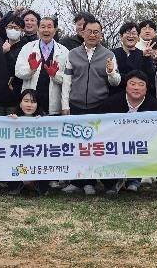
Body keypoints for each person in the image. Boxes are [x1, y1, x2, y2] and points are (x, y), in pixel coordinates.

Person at [61, 18, 121, 195]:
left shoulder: (109, 54)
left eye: (96, 32)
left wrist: (110, 71)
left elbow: (116, 82)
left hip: (99, 106)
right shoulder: (72, 54)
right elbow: (67, 81)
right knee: (77, 146)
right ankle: (78, 182)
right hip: (76, 105)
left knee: (96, 147)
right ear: (82, 33)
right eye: (89, 31)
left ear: (101, 34)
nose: (92, 35)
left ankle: (94, 182)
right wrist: (65, 105)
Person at [98, 70, 157, 197]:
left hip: (142, 145)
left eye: (141, 84)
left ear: (146, 88)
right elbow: (100, 126)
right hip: (115, 144)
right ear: (126, 87)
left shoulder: (154, 105)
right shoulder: (111, 103)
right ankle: (111, 184)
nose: (136, 88)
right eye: (132, 84)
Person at [15, 16, 69, 115]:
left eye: (49, 27)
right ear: (38, 29)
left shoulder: (64, 51)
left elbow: (67, 80)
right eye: (43, 27)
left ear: (55, 30)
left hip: (54, 105)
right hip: (30, 105)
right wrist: (31, 69)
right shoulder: (28, 48)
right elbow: (18, 72)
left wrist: (55, 75)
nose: (46, 30)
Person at [6, 89, 50, 196]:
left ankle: (38, 186)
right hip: (19, 159)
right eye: (26, 101)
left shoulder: (44, 119)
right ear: (20, 103)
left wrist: (42, 122)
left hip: (37, 159)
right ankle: (18, 186)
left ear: (37, 104)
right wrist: (12, 123)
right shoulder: (11, 119)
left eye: (33, 102)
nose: (29, 105)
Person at [0, 15, 26, 116]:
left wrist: (7, 53)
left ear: (22, 30)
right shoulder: (1, 46)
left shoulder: (25, 47)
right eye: (10, 27)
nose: (13, 30)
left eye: (16, 28)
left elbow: (17, 70)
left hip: (15, 99)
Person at [111, 22, 157, 96]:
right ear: (121, 36)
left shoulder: (143, 55)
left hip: (138, 96)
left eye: (134, 33)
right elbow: (112, 77)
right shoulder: (112, 54)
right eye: (128, 33)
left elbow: (149, 78)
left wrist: (147, 58)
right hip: (116, 96)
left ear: (138, 37)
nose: (131, 36)